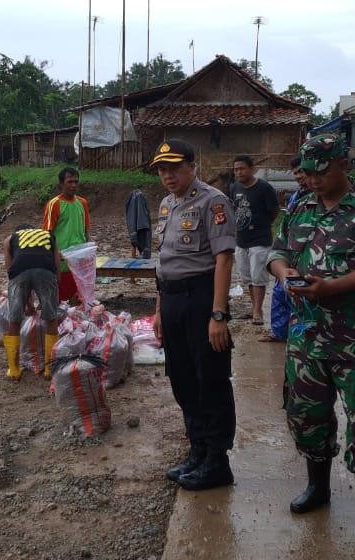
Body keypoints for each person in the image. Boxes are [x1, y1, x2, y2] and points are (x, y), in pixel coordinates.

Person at [267, 133, 355, 543]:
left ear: (344, 163)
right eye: (307, 172)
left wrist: (331, 288)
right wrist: (285, 273)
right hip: (307, 340)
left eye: (320, 171)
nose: (313, 179)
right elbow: (277, 252)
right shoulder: (300, 207)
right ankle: (318, 488)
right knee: (308, 416)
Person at [150, 139, 238, 491]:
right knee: (182, 378)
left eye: (174, 167)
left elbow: (224, 259)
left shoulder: (213, 202)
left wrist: (218, 314)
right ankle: (197, 450)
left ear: (192, 165)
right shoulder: (166, 206)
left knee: (210, 379)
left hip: (202, 299)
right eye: (162, 169)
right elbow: (164, 261)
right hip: (171, 301)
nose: (168, 175)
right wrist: (158, 310)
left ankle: (218, 460)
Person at [1, 224, 61, 380]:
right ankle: (49, 369)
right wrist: (50, 295)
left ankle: (14, 370)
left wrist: (26, 305)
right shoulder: (48, 235)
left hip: (20, 271)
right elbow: (57, 263)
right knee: (51, 318)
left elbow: (10, 272)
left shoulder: (10, 239)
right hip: (46, 269)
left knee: (14, 319)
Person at [261, 156, 309, 343]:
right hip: (289, 257)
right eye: (296, 173)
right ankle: (279, 333)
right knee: (281, 295)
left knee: (303, 302)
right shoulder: (296, 198)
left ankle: (300, 336)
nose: (299, 176)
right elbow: (285, 231)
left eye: (302, 172)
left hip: (309, 262)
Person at [229, 155, 279, 327]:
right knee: (247, 277)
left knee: (258, 276)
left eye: (242, 168)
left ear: (252, 169)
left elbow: (274, 212)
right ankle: (253, 307)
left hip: (260, 240)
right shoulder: (234, 187)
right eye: (236, 169)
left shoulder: (264, 188)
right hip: (241, 240)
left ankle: (257, 311)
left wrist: (263, 226)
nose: (238, 172)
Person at [42, 166, 90, 303]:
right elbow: (47, 233)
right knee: (61, 300)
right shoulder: (54, 204)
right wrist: (55, 254)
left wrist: (88, 252)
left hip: (79, 258)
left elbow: (86, 230)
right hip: (62, 259)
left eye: (76, 181)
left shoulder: (83, 203)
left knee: (78, 299)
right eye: (70, 182)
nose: (73, 185)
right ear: (61, 183)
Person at [125, 188, 152, 259]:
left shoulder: (134, 201)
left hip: (139, 225)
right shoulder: (139, 201)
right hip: (141, 225)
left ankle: (136, 256)